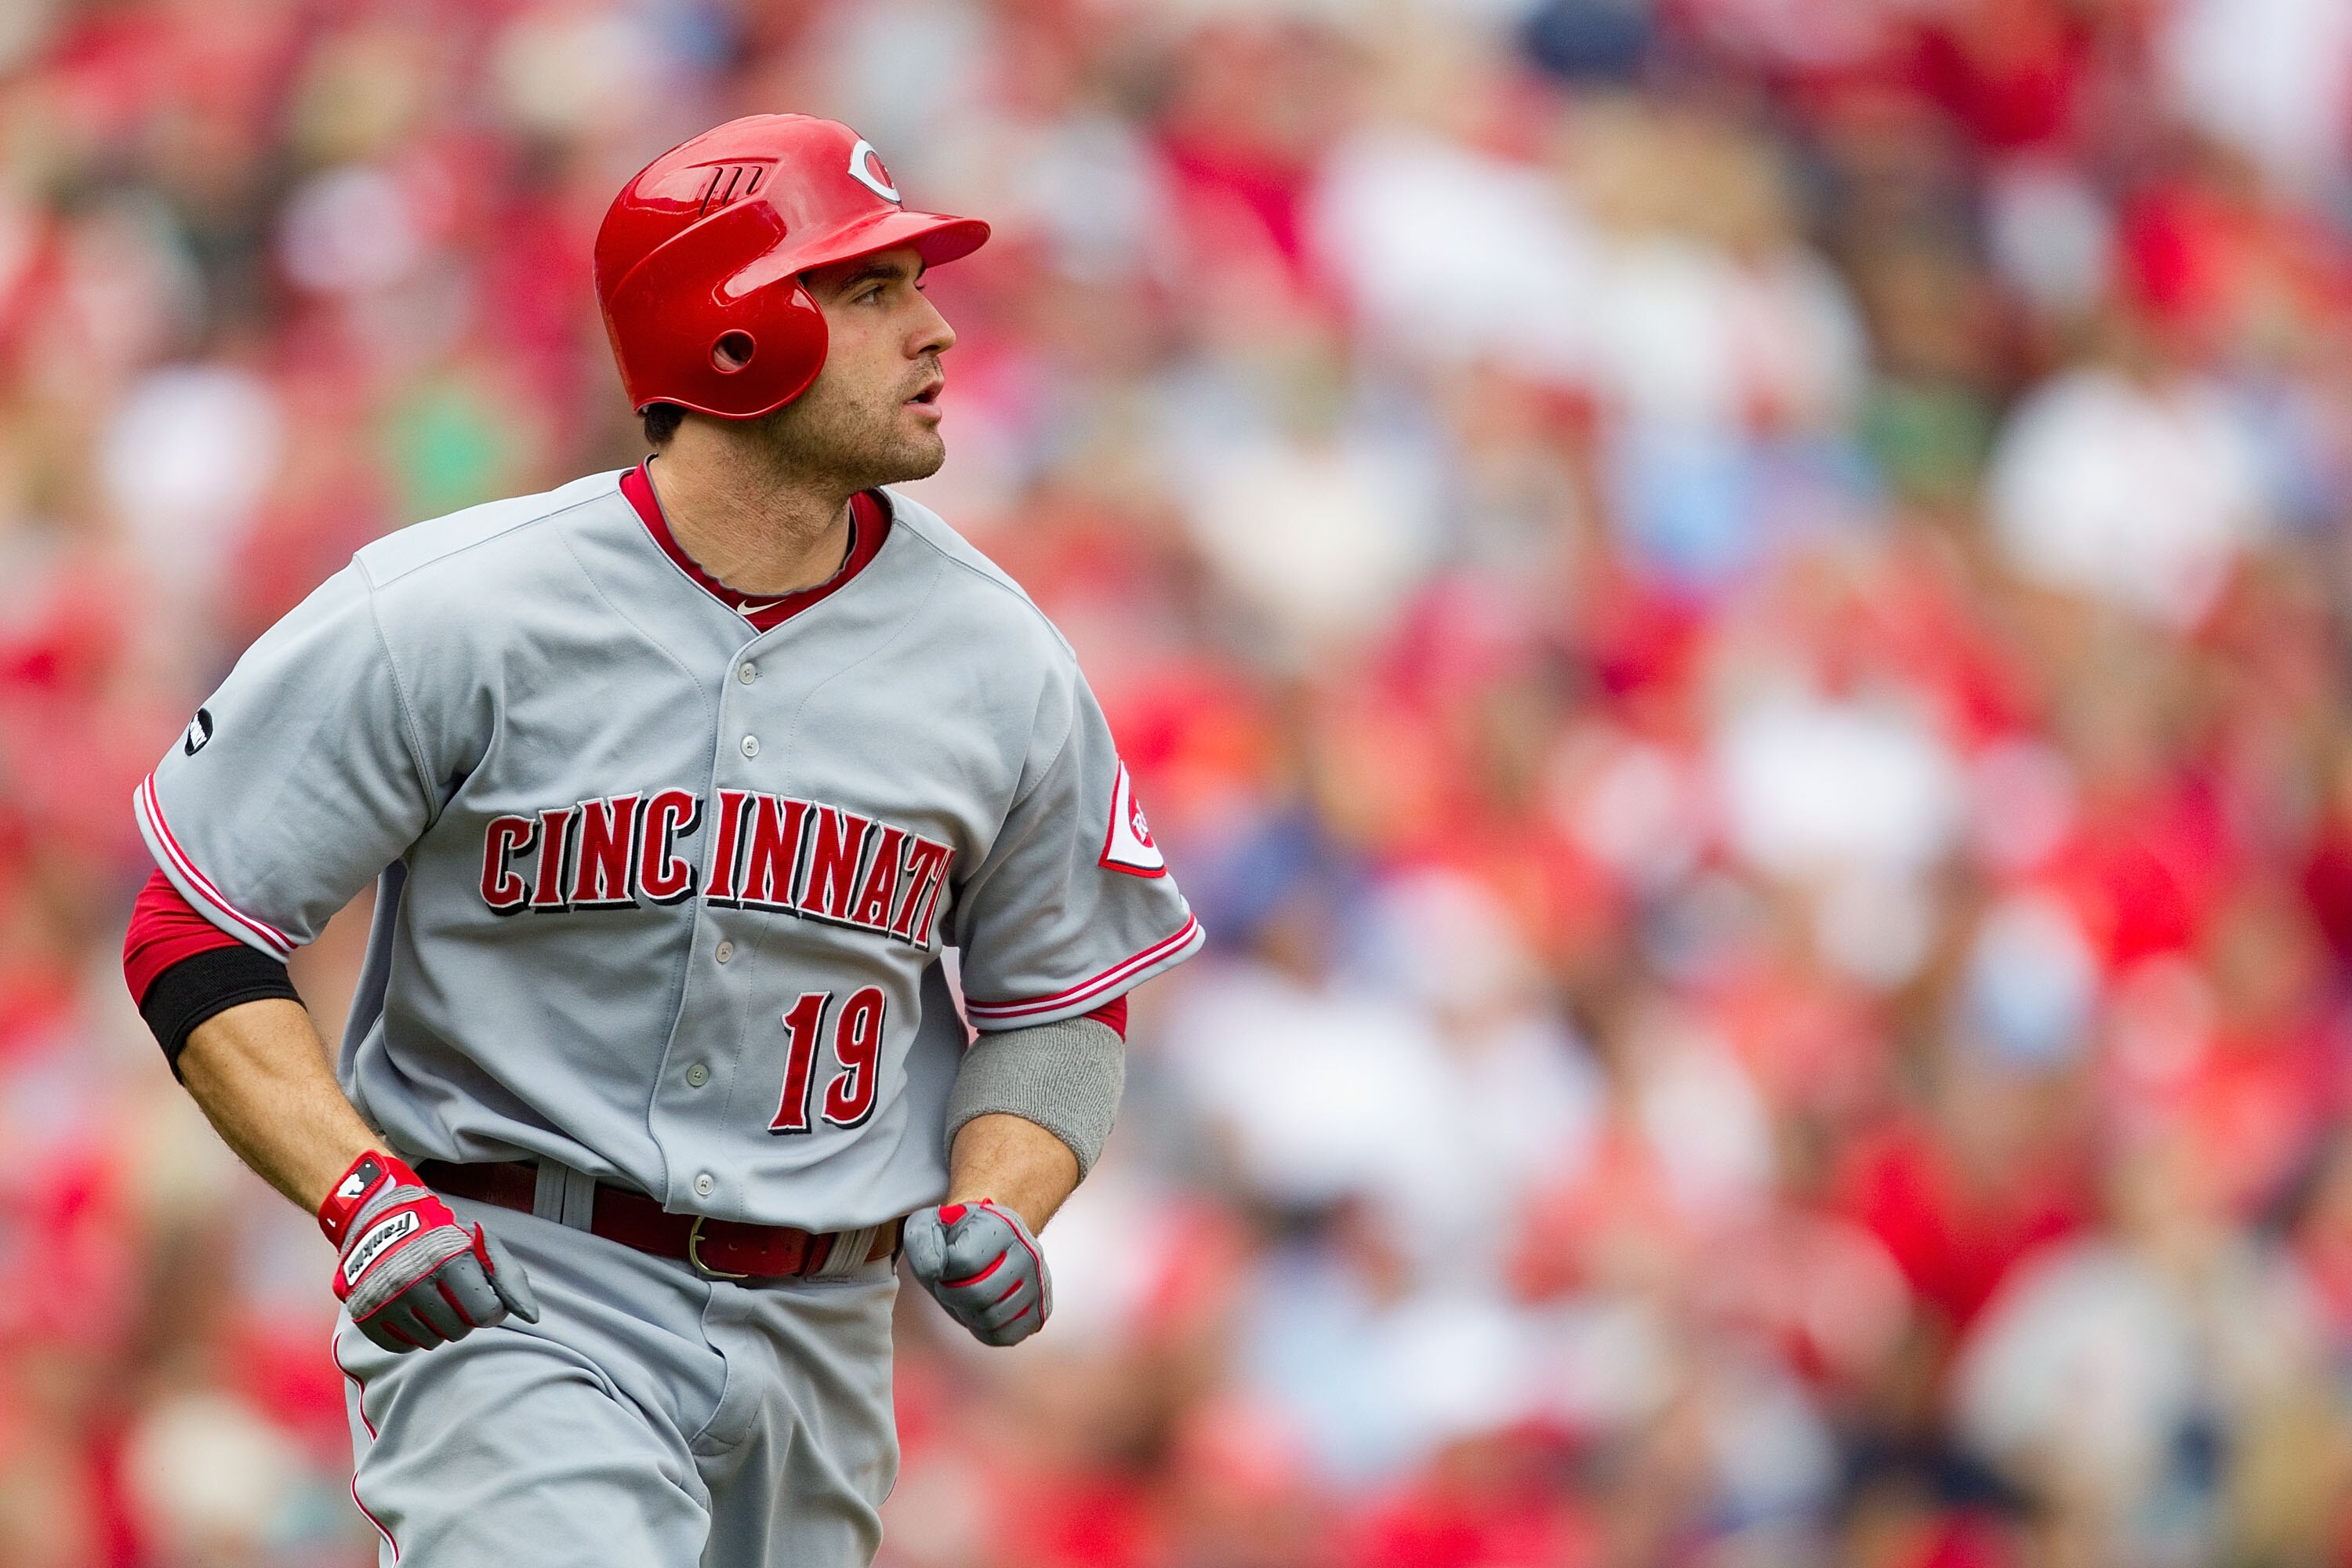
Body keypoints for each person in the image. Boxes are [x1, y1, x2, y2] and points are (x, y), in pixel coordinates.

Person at [118, 114, 1201, 1566]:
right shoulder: (456, 612)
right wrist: (357, 1190)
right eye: (871, 290)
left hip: (822, 1340)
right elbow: (195, 927)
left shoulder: (1002, 663)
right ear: (732, 324)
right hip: (519, 1293)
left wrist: (1008, 1195)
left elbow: (1060, 1002)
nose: (936, 330)